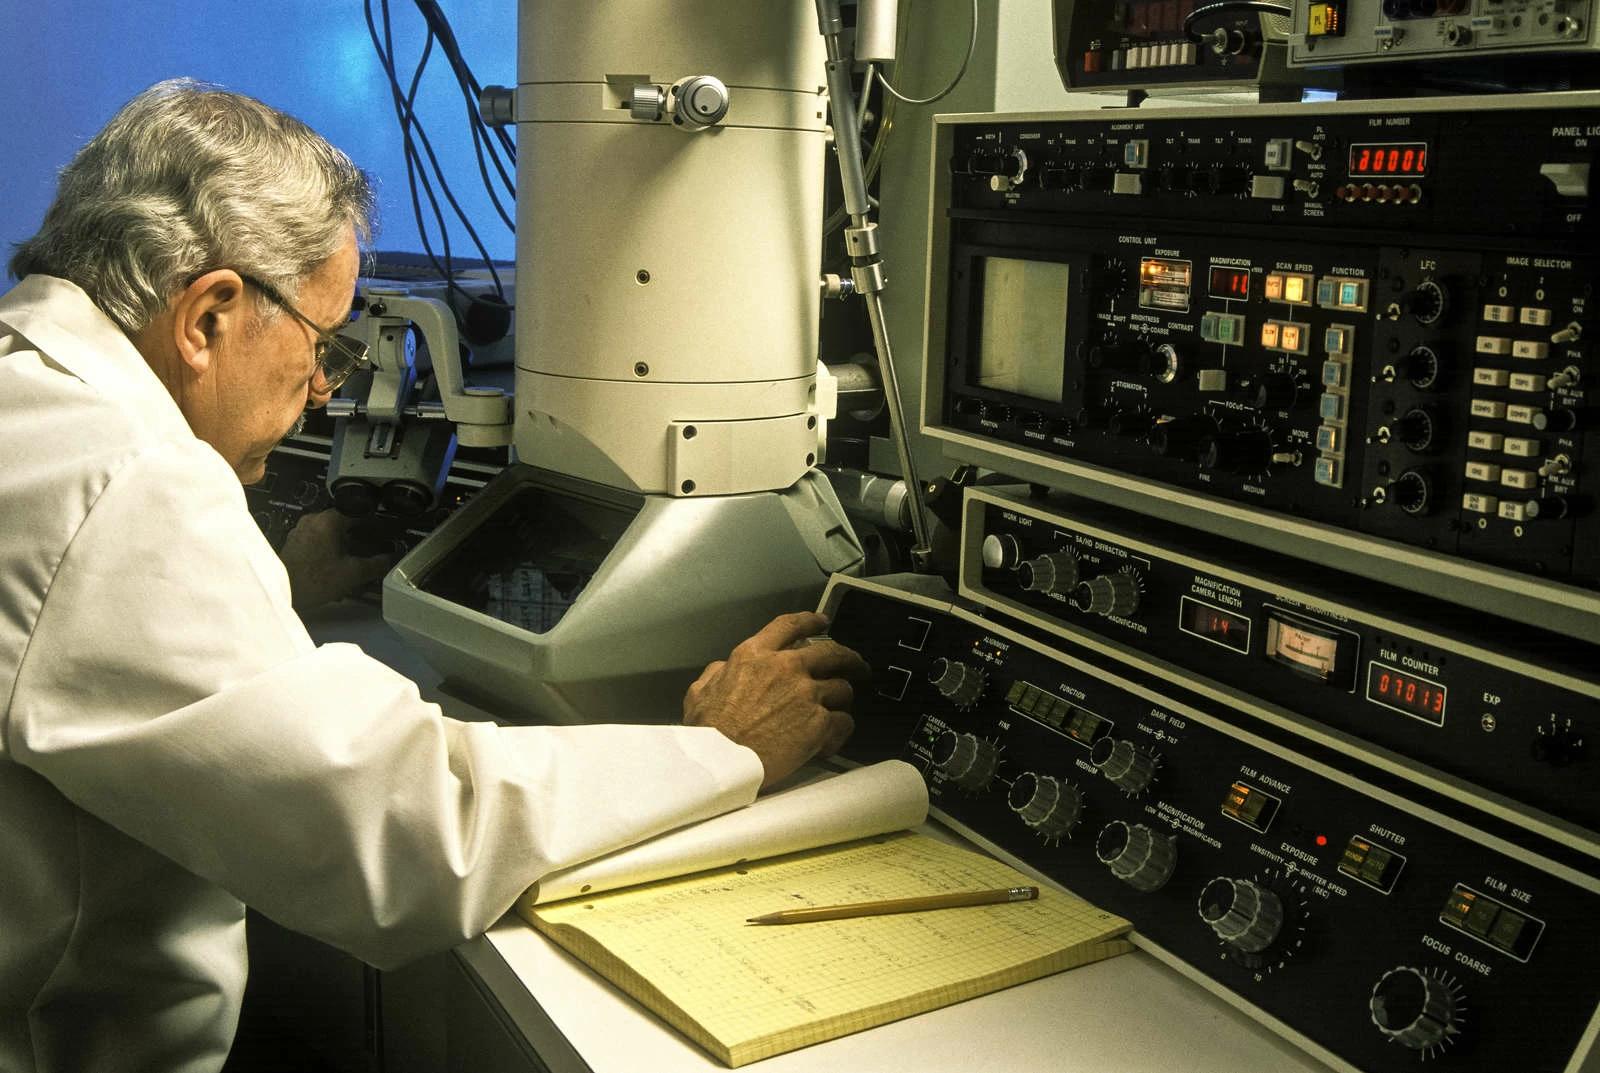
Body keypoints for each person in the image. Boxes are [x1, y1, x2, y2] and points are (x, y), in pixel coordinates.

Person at [0, 79, 868, 1073]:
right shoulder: (127, 480)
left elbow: (78, 634)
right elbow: (407, 830)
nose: (323, 390)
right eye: (323, 345)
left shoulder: (39, 404)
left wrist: (274, 587)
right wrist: (718, 747)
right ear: (209, 316)